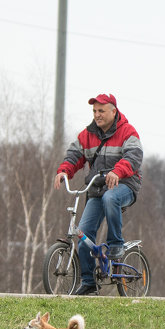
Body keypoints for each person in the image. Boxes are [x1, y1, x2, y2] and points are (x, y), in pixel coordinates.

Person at [54, 92, 143, 296]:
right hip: (97, 188)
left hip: (125, 185)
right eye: (94, 111)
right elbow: (74, 155)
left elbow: (135, 157)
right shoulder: (87, 134)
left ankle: (115, 245)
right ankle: (88, 282)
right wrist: (63, 171)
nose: (97, 114)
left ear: (113, 111)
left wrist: (117, 172)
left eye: (101, 111)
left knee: (110, 198)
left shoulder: (128, 132)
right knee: (83, 234)